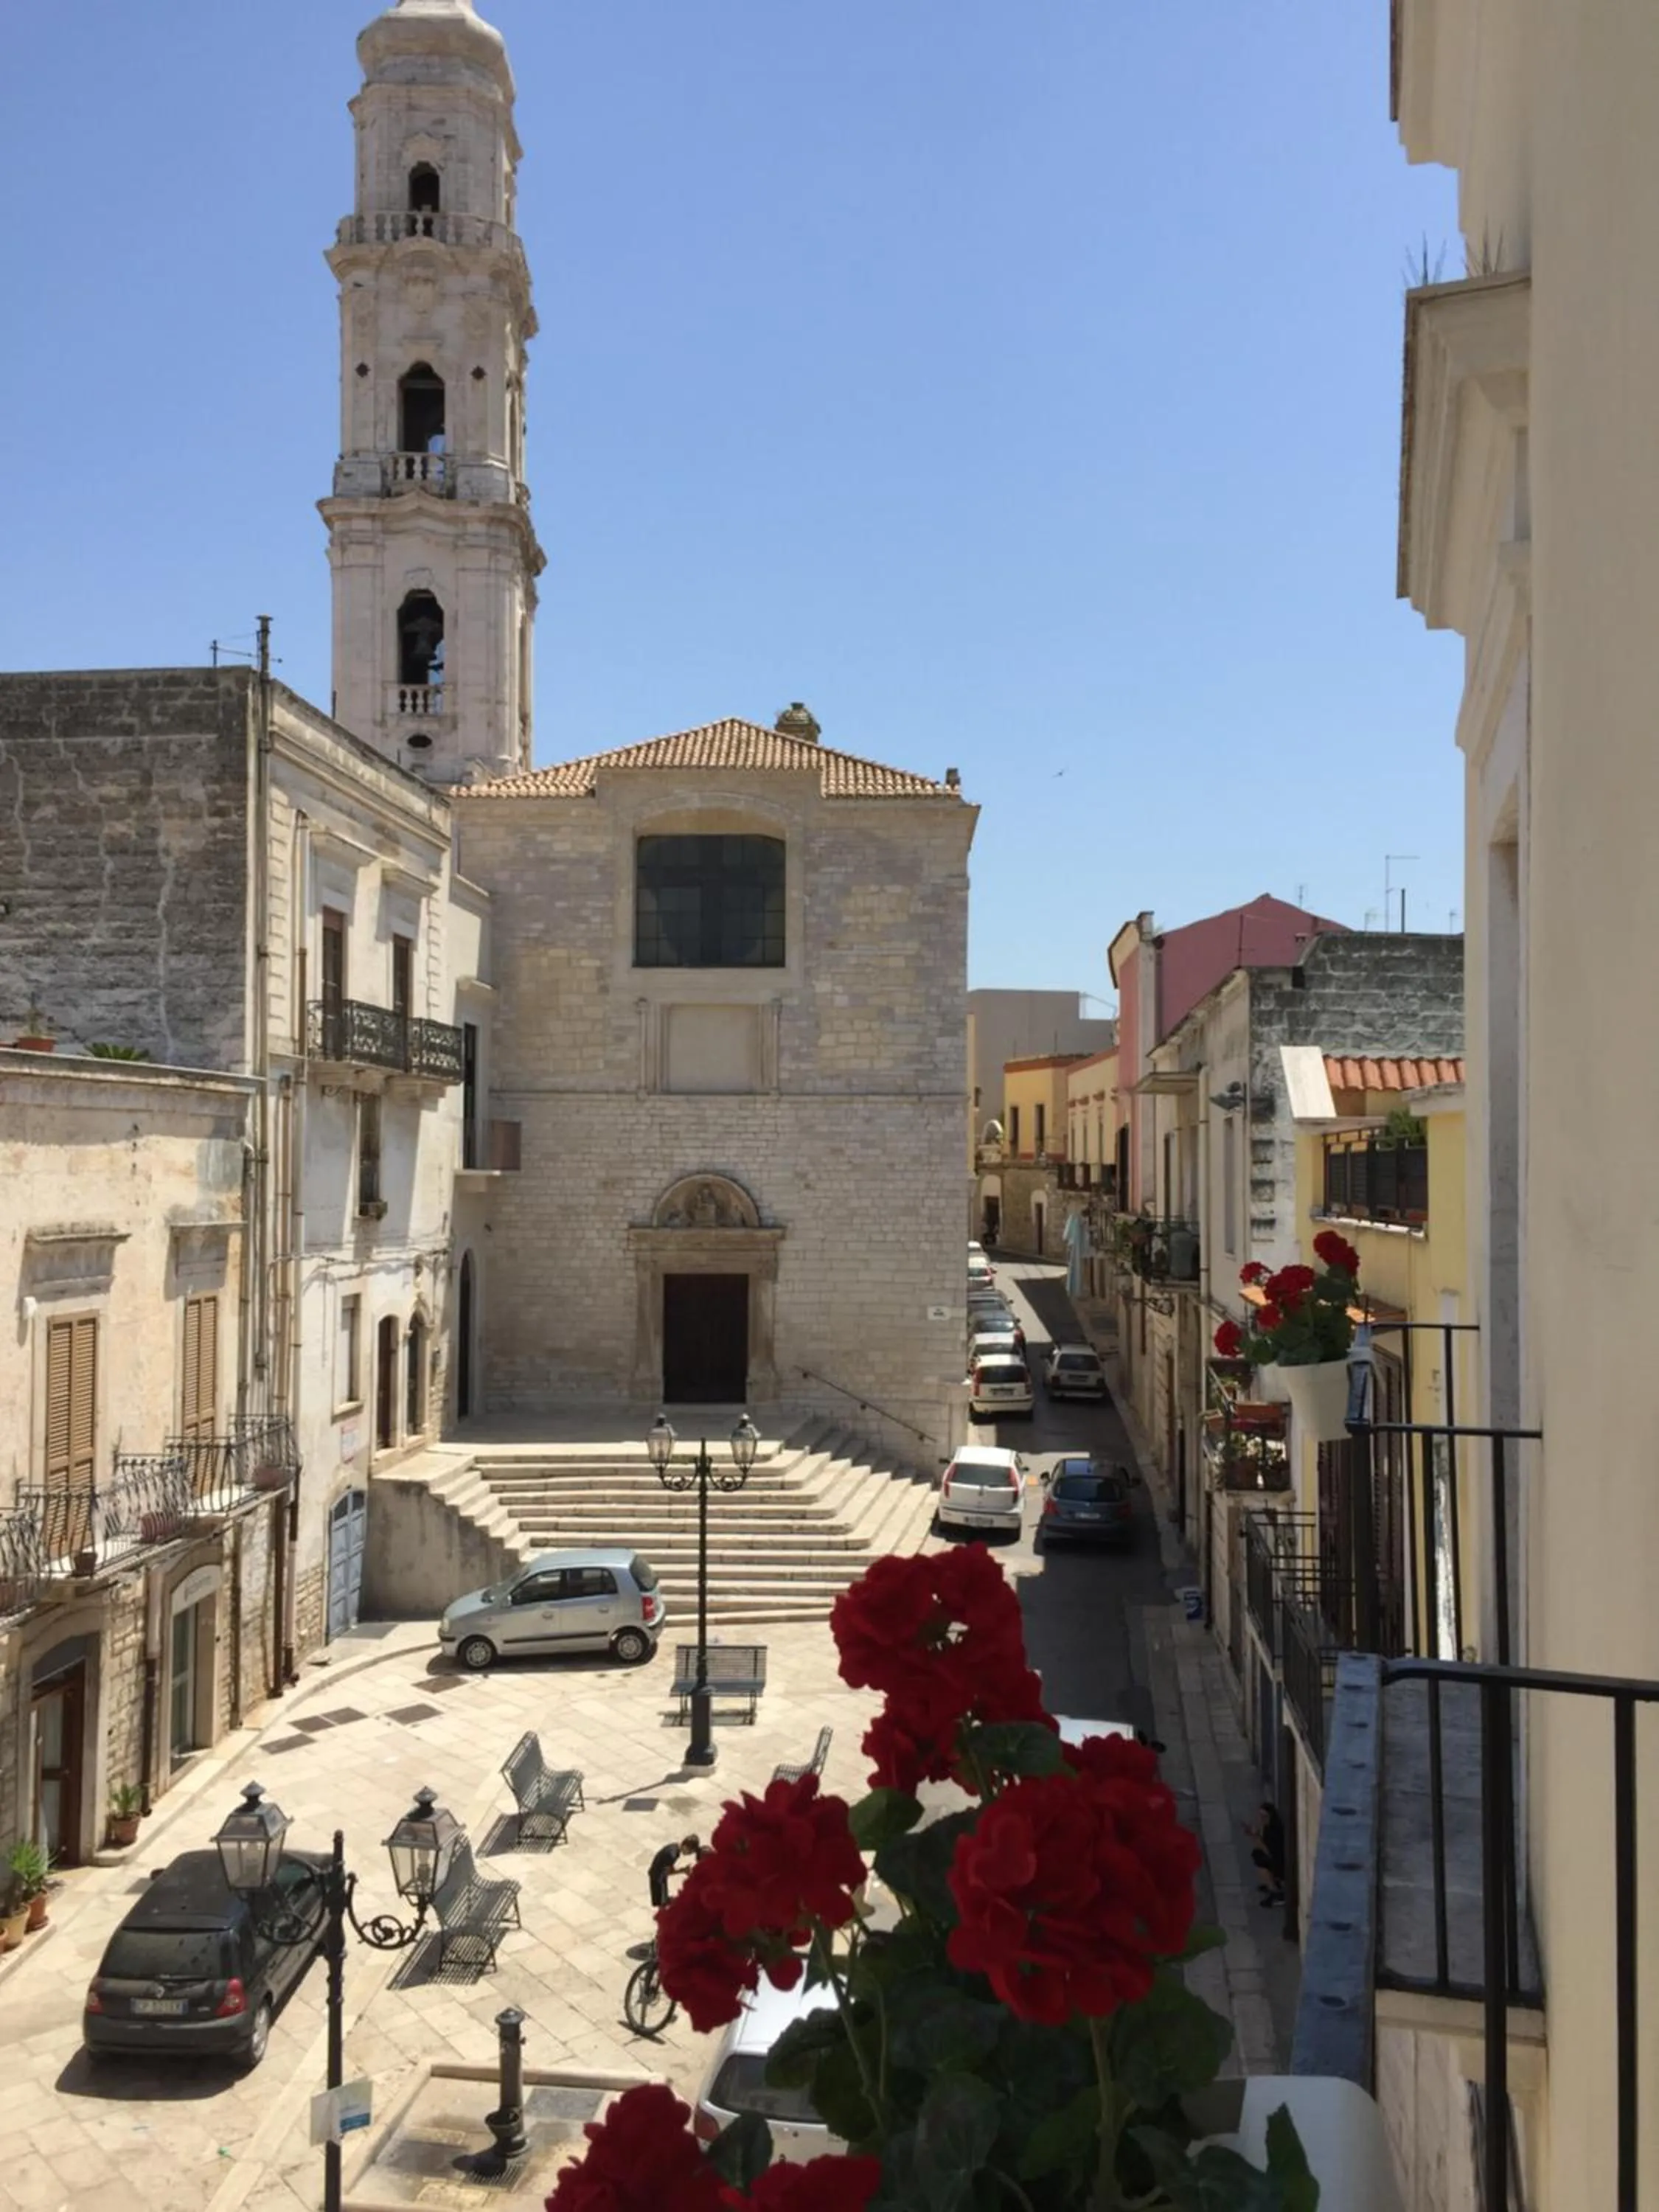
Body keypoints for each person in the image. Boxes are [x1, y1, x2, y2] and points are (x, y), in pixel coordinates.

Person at [647, 1833, 702, 1913]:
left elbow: (669, 1868)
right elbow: (669, 1872)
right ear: (686, 1847)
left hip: (660, 1875)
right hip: (657, 1878)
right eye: (689, 1852)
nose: (688, 1855)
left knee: (664, 1898)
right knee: (661, 1903)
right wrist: (683, 1870)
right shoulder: (672, 1855)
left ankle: (666, 1901)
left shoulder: (674, 1847)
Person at [1245, 1801, 1287, 1907]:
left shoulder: (1274, 1830)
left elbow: (1268, 1850)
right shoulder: (1267, 1826)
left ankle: (1275, 1893)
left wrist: (1256, 1837)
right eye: (1260, 1816)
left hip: (1279, 1861)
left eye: (1264, 1816)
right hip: (1275, 1857)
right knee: (1257, 1855)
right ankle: (1272, 1883)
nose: (1261, 1818)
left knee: (1261, 1863)